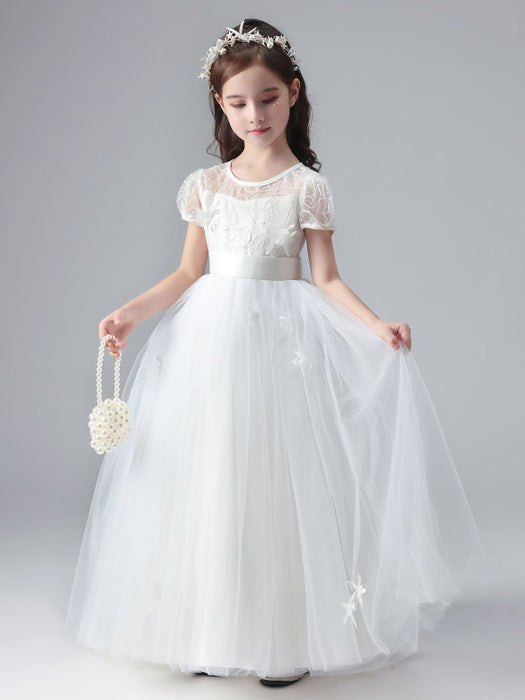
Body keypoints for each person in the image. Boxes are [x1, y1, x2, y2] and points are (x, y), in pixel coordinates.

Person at [64, 18, 490, 688]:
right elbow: (186, 274)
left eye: (266, 98)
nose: (253, 115)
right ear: (220, 105)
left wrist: (377, 324)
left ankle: (281, 636)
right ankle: (205, 630)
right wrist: (129, 313)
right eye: (237, 103)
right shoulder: (205, 186)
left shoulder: (306, 187)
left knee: (277, 479)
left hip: (284, 343)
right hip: (210, 343)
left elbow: (326, 279)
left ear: (292, 93)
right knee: (211, 476)